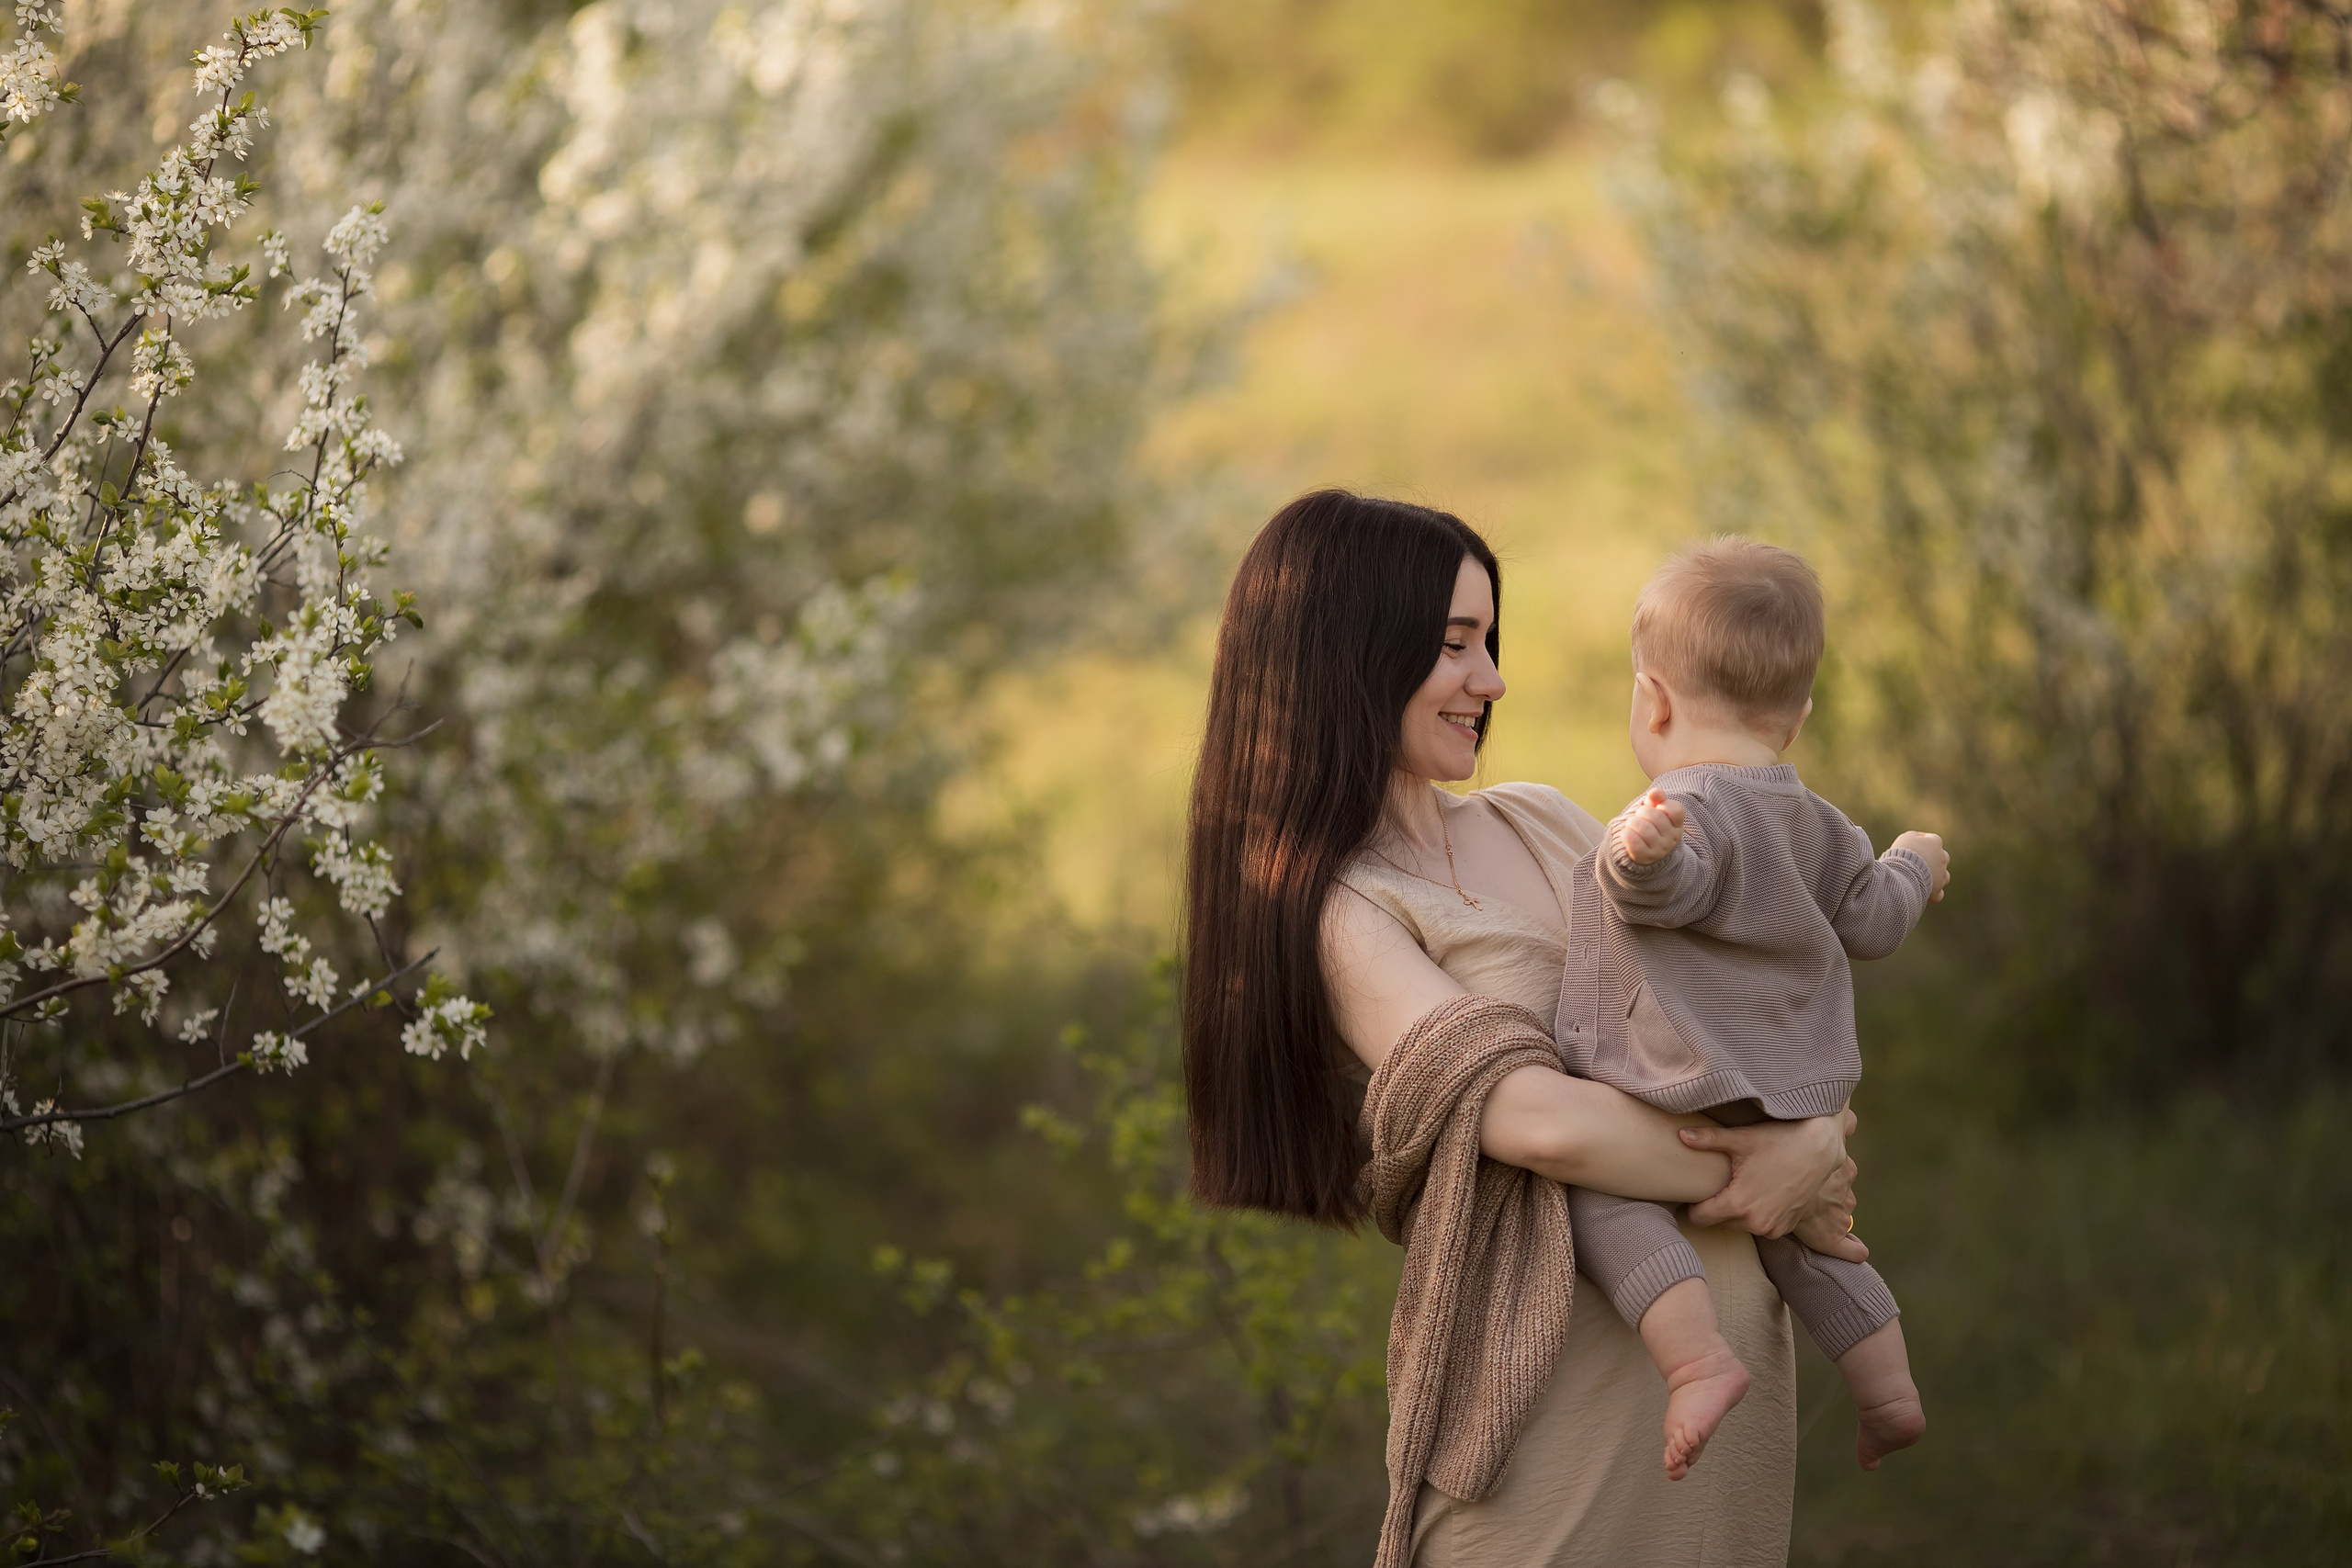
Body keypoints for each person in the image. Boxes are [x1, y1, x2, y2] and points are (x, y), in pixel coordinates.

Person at [1182, 491, 1865, 1567]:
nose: (1491, 680)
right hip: (1556, 1434)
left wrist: (1817, 1135)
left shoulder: (1545, 820)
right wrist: (1769, 1164)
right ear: (1352, 654)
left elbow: (1735, 1006)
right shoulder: (1342, 911)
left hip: (1728, 1425)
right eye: (1455, 646)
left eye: (1489, 642)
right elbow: (1534, 1120)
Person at [1554, 536, 1943, 1485]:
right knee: (1809, 1233)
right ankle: (1887, 1391)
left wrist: (1640, 852)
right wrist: (1916, 863)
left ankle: (1696, 1362)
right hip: (1791, 1092)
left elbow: (1663, 890)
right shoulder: (1820, 824)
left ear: (1653, 699)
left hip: (1678, 1082)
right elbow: (1876, 920)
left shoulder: (1677, 807)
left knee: (1603, 1201)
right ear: (1797, 718)